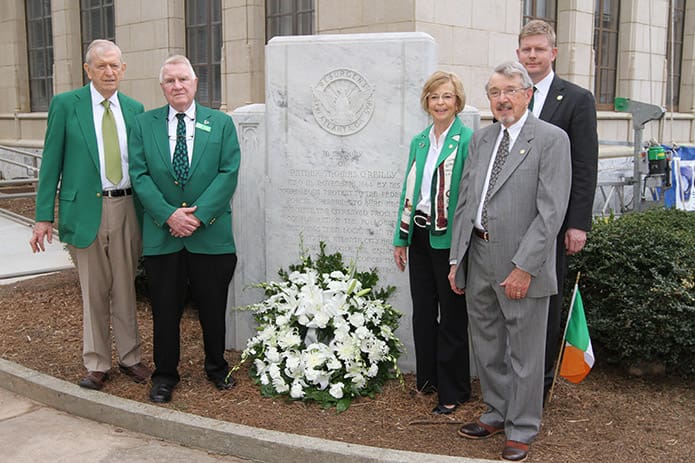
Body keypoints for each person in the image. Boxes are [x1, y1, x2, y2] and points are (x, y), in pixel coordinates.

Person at [448, 61, 571, 462]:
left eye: (510, 91)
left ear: (527, 94)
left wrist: (525, 266)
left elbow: (551, 213)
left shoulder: (551, 140)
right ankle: (497, 411)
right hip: (478, 254)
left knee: (525, 350)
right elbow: (466, 201)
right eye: (495, 93)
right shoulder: (481, 141)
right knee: (487, 343)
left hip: (521, 263)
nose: (502, 100)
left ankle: (522, 427)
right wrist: (456, 258)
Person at [29, 39, 150, 390]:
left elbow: (142, 164)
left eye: (115, 65)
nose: (109, 72)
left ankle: (131, 358)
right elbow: (50, 162)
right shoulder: (67, 105)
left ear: (123, 69)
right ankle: (97, 362)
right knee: (94, 290)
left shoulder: (134, 108)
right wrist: (42, 217)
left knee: (126, 287)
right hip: (85, 210)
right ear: (88, 70)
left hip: (127, 207)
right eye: (101, 66)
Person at [128, 55, 241, 404]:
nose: (177, 86)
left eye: (183, 80)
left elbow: (228, 171)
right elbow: (140, 174)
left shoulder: (220, 123)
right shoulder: (143, 124)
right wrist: (168, 216)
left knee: (212, 306)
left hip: (210, 234)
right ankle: (164, 375)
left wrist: (197, 215)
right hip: (164, 236)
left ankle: (216, 367)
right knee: (164, 310)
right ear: (162, 87)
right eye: (170, 81)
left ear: (195, 83)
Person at [516, 19, 599, 401]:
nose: (532, 55)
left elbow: (585, 166)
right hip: (512, 223)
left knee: (546, 306)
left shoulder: (576, 99)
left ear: (553, 53)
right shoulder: (512, 94)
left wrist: (577, 224)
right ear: (519, 54)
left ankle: (540, 387)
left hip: (552, 224)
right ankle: (512, 382)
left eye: (539, 49)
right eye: (526, 49)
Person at [393, 71, 473, 415]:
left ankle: (453, 390)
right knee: (423, 312)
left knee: (452, 316)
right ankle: (428, 380)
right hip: (421, 236)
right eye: (434, 97)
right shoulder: (420, 141)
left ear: (457, 102)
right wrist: (401, 237)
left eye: (447, 97)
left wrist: (461, 251)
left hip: (450, 239)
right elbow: (409, 190)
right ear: (427, 102)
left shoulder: (468, 139)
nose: (440, 103)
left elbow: (470, 198)